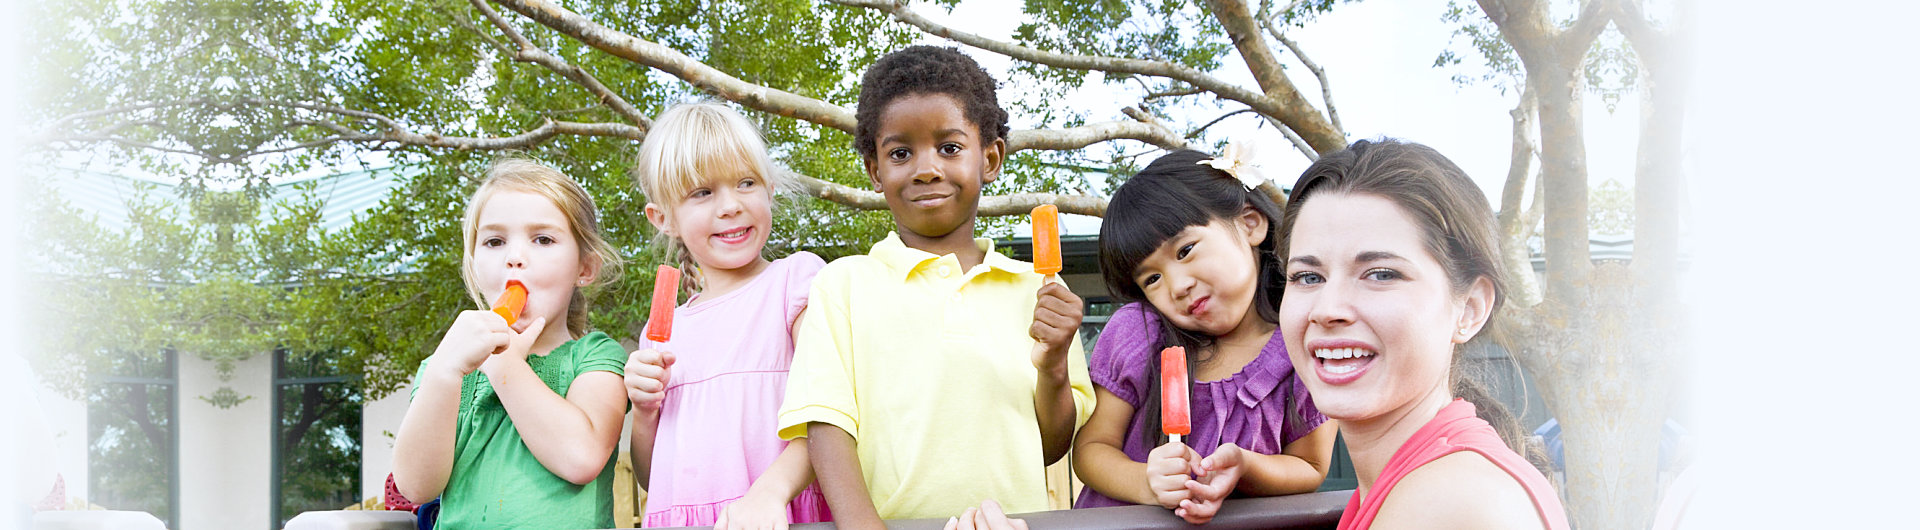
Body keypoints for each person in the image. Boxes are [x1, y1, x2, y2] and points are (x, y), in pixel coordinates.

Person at [776, 45, 1095, 528]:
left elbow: (1051, 446)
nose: (926, 168)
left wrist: (1052, 365)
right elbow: (827, 426)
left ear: (990, 158)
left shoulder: (1039, 291)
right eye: (900, 153)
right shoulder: (843, 284)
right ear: (875, 170)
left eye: (949, 148)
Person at [1276, 139, 1568, 529]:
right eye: (1307, 277)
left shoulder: (1452, 501)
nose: (1327, 310)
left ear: (1470, 308)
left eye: (1381, 274)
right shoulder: (1425, 482)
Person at [1073, 147, 1336, 524]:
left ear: (1249, 224)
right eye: (1152, 278)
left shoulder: (1304, 344)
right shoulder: (1140, 332)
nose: (1177, 286)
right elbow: (1092, 449)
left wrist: (1246, 467)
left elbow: (1310, 466)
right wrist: (1146, 482)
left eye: (1185, 250)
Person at [624, 102, 831, 528]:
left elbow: (829, 412)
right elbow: (650, 477)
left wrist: (769, 494)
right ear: (663, 218)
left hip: (778, 515)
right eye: (702, 192)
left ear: (769, 190)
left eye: (746, 183)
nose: (731, 205)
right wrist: (644, 411)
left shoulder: (795, 283)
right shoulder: (661, 335)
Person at [392, 158, 629, 530]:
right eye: (495, 241)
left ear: (584, 268)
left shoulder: (595, 357)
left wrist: (503, 364)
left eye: (543, 239)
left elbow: (581, 458)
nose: (514, 258)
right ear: (474, 267)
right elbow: (416, 486)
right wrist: (443, 373)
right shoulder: (446, 368)